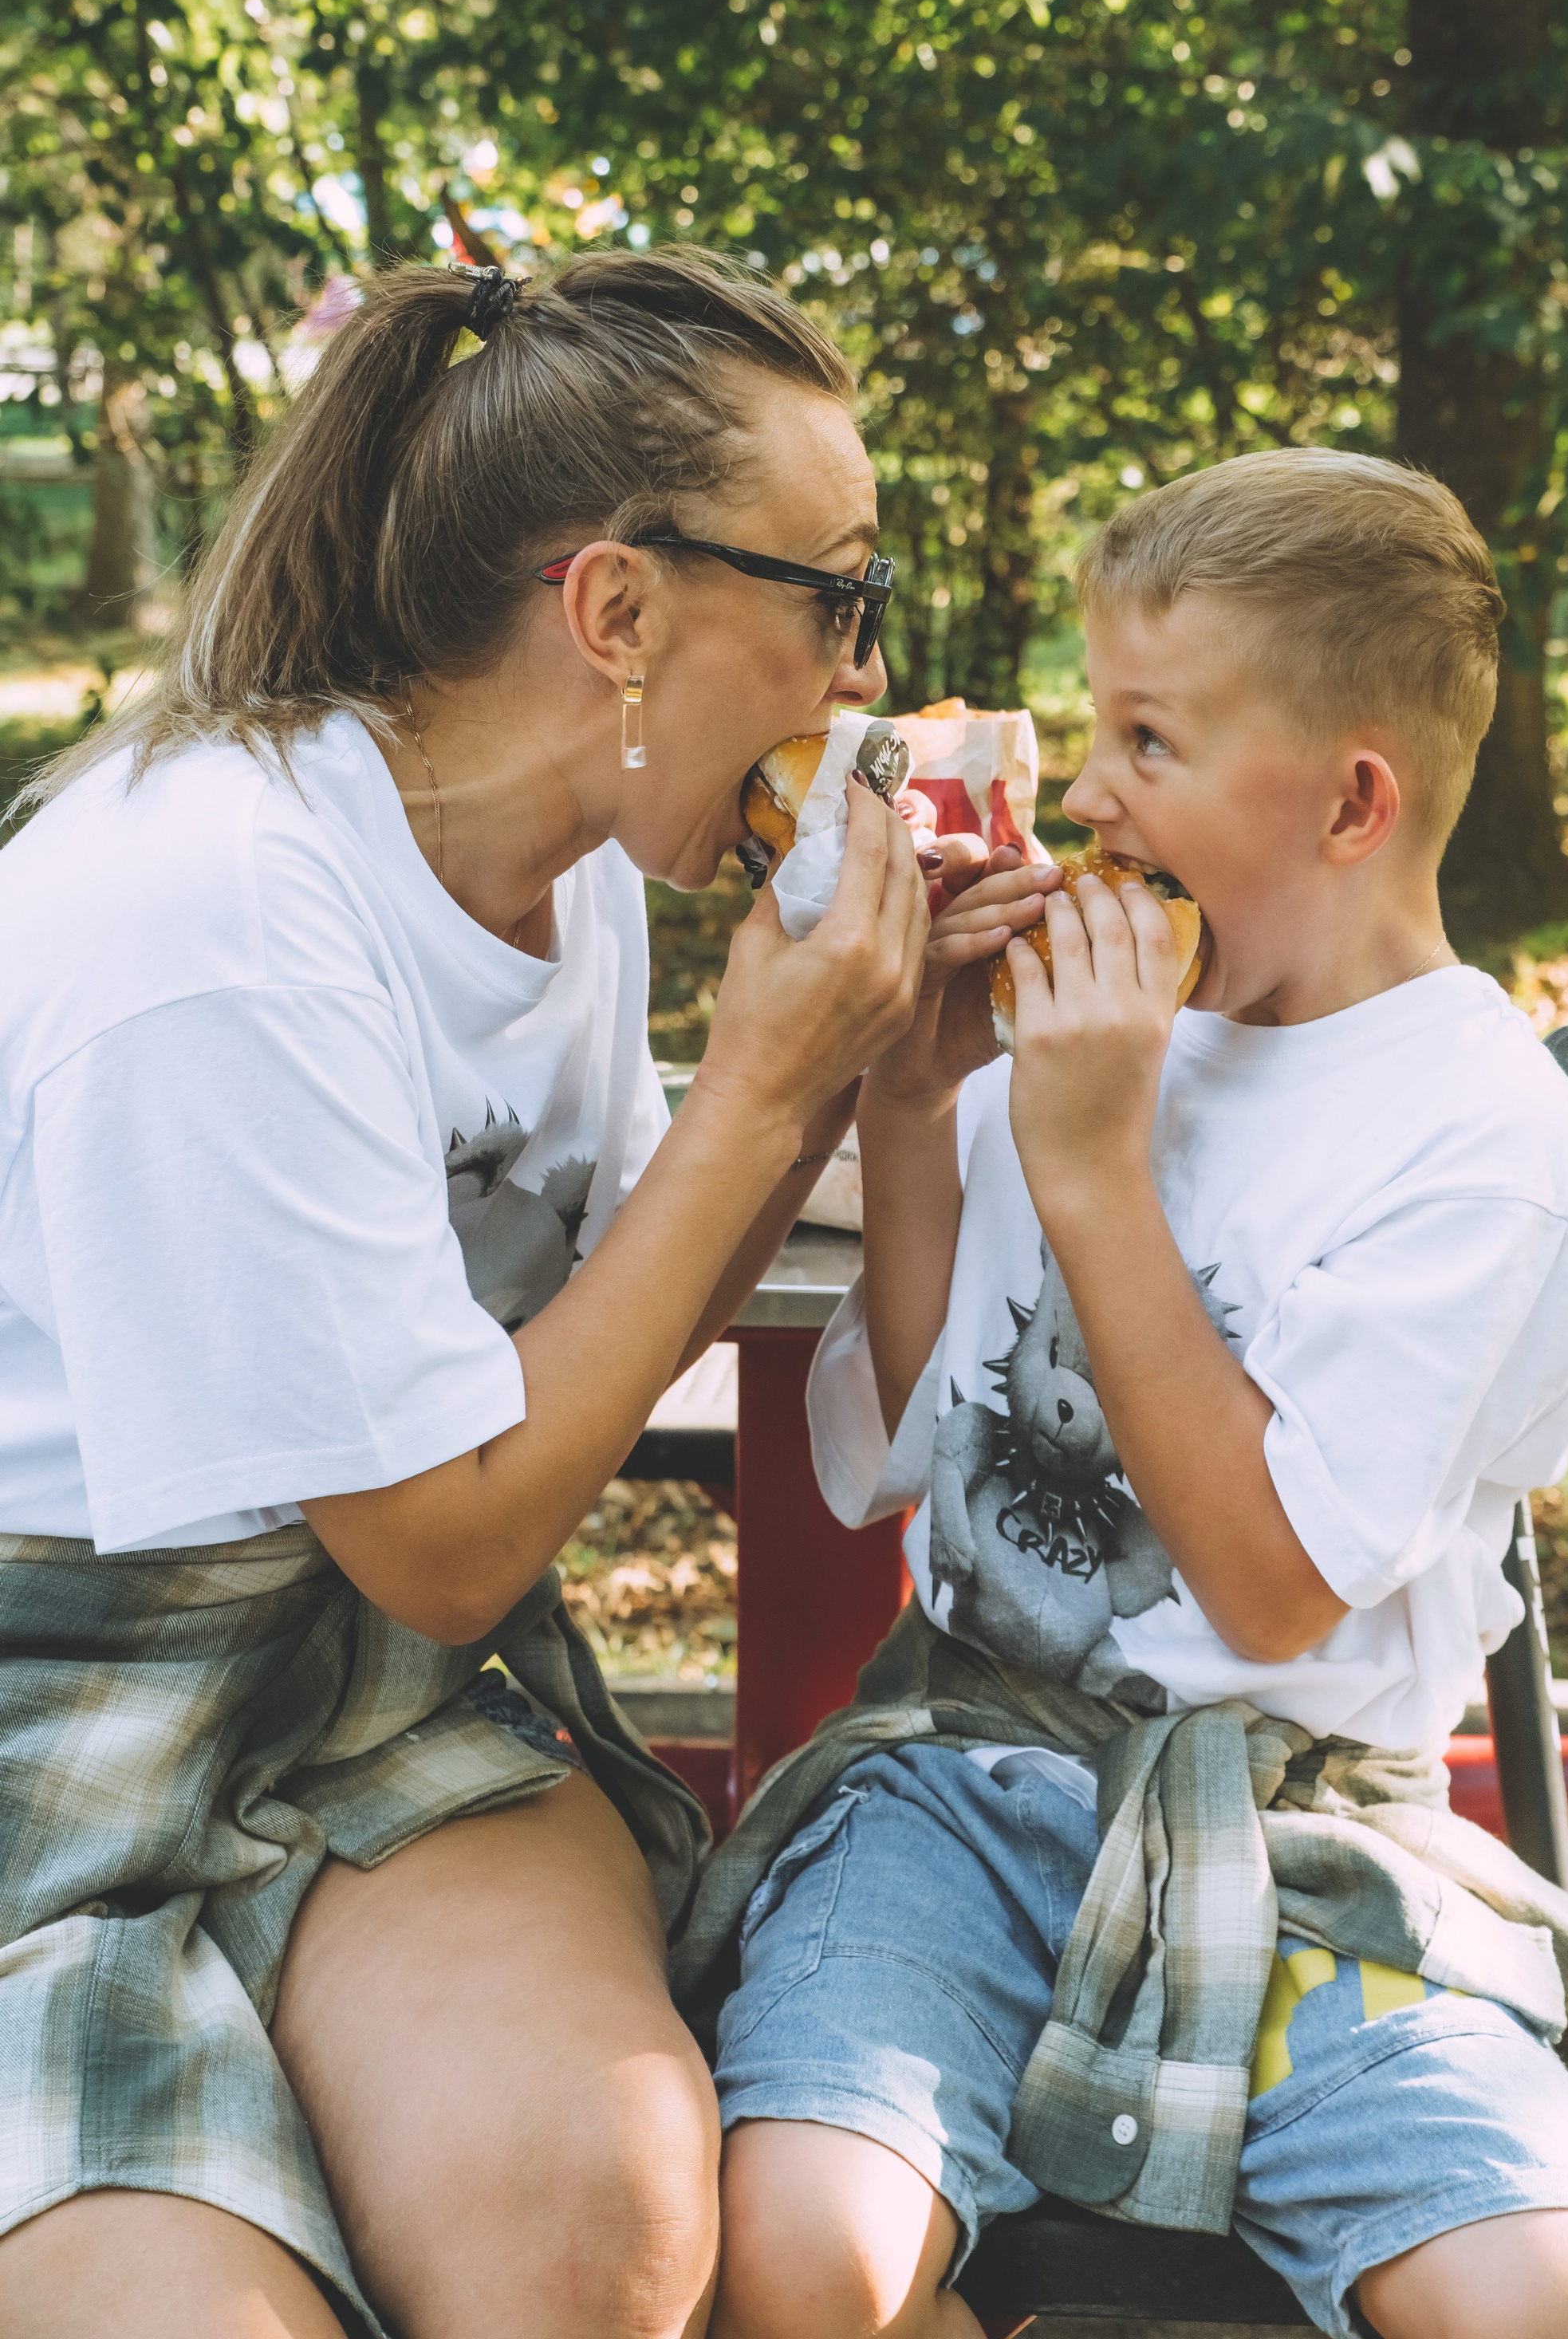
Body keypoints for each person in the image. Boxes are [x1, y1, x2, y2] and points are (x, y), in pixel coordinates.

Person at [0, 250, 945, 2339]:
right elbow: (442, 1537)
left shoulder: (574, 870)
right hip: (48, 1708)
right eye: (838, 595)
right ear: (616, 612)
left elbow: (612, 1313)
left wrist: (867, 1066)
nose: (864, 678)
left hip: (357, 1690)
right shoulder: (216, 916)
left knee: (592, 2227)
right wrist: (771, 1075)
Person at [689, 449, 1568, 2339]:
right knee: (803, 2252)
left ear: (1349, 799)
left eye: (1146, 741)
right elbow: (917, 1427)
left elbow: (1274, 1587)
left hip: (1313, 1848)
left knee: (1564, 2302)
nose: (1080, 795)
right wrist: (914, 1093)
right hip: (960, 1797)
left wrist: (1090, 1170)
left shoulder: (1472, 1134)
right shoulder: (1089, 1039)